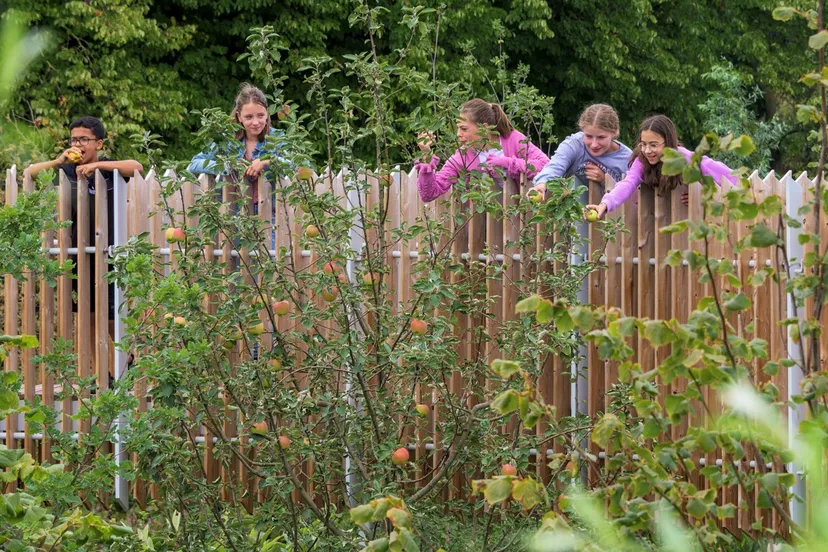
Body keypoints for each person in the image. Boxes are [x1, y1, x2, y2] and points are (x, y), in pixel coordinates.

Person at [25, 116, 143, 322]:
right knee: (85, 316)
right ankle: (93, 356)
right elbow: (30, 173)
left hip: (109, 251)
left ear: (98, 143)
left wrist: (98, 167)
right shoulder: (66, 171)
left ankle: (124, 355)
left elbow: (137, 167)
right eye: (74, 140)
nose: (78, 144)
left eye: (83, 140)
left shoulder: (108, 168)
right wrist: (58, 160)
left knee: (110, 316)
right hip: (78, 252)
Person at [585, 114, 737, 219]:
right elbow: (628, 182)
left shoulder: (684, 158)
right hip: (650, 221)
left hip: (688, 222)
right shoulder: (641, 160)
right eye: (643, 144)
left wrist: (705, 195)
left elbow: (722, 174)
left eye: (653, 145)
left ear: (668, 143)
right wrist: (605, 204)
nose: (647, 150)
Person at [415, 99, 549, 202]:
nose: (458, 134)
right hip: (479, 229)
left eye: (464, 129)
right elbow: (429, 194)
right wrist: (426, 154)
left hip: (519, 224)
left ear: (484, 127)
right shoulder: (462, 156)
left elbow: (546, 167)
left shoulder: (514, 139)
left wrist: (506, 163)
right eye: (458, 128)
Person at [188, 83, 283, 204]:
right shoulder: (227, 140)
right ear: (239, 117)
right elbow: (194, 163)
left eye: (260, 115)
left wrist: (267, 161)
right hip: (234, 214)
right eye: (249, 117)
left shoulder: (277, 138)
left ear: (267, 114)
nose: (255, 122)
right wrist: (227, 166)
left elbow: (301, 165)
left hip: (271, 214)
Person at [530, 103, 632, 200]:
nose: (594, 144)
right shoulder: (574, 144)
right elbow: (555, 166)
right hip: (569, 213)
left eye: (601, 137)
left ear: (614, 133)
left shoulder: (627, 159)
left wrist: (605, 181)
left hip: (609, 216)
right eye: (588, 136)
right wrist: (541, 184)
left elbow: (631, 197)